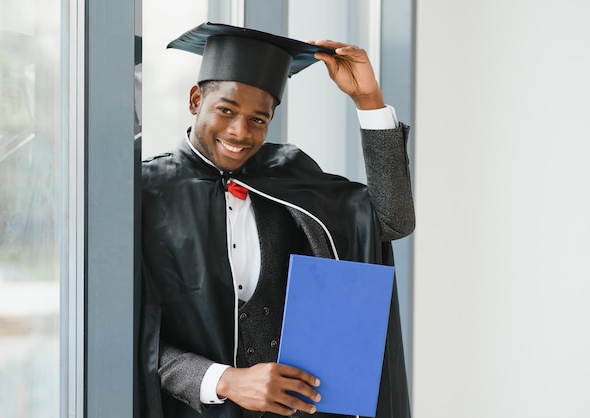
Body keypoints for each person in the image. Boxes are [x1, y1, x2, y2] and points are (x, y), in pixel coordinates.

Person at [139, 22, 415, 418]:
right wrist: (222, 380)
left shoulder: (288, 174)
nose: (239, 132)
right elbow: (133, 334)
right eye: (226, 110)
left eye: (258, 119)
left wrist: (368, 100)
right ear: (196, 98)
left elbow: (393, 220)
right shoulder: (145, 192)